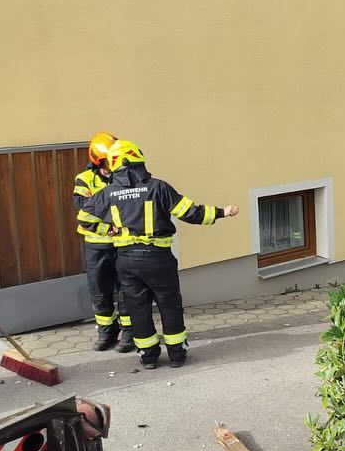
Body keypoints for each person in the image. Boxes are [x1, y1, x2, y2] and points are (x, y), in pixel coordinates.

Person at [81, 140, 237, 370]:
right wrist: (222, 212)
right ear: (138, 161)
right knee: (169, 305)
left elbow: (85, 219)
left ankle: (148, 356)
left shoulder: (108, 192)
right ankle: (176, 354)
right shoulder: (158, 187)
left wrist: (107, 229)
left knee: (138, 308)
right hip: (158, 259)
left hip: (127, 261)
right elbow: (189, 212)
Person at [73, 131, 134, 353]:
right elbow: (84, 207)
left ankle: (129, 332)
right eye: (110, 160)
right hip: (96, 245)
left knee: (127, 289)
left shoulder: (127, 177)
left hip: (122, 243)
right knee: (99, 289)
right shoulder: (84, 179)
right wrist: (109, 224)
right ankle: (106, 331)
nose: (115, 164)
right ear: (98, 161)